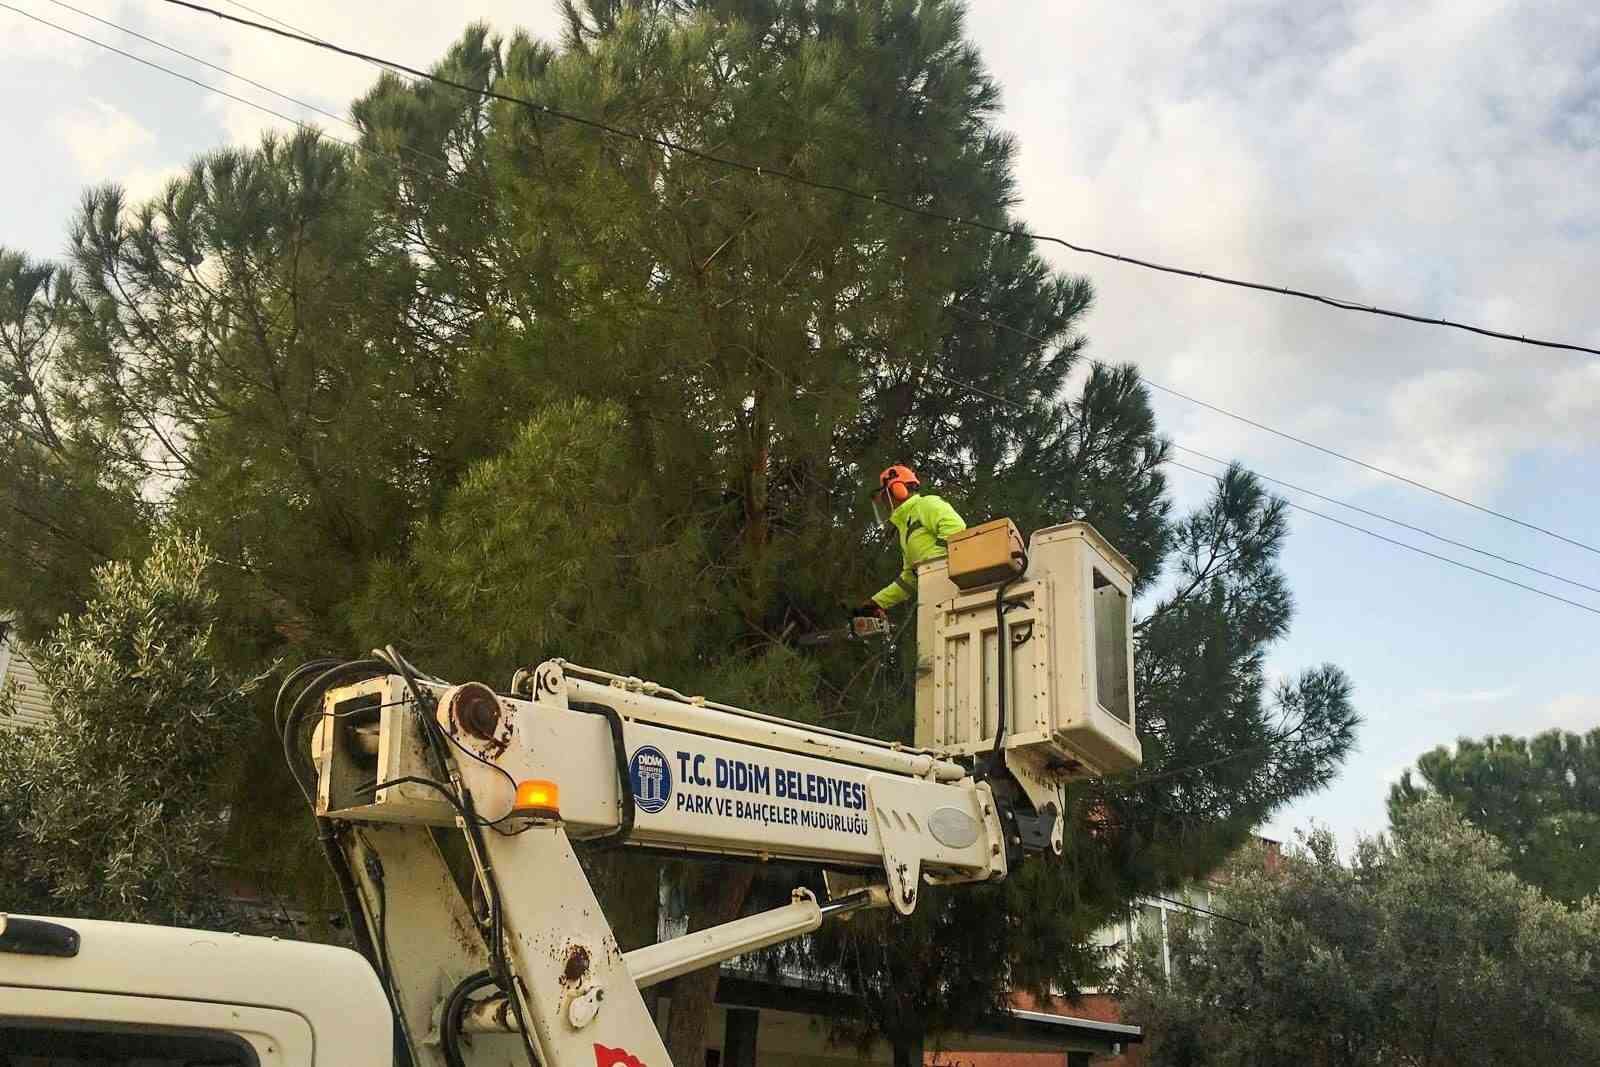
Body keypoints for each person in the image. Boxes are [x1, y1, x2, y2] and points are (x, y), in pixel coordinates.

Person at [857, 464, 966, 619]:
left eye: (885, 498)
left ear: (898, 490)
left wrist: (930, 566)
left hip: (952, 588)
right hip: (934, 596)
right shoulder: (905, 528)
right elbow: (909, 579)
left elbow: (955, 528)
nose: (885, 505)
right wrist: (876, 602)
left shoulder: (926, 504)